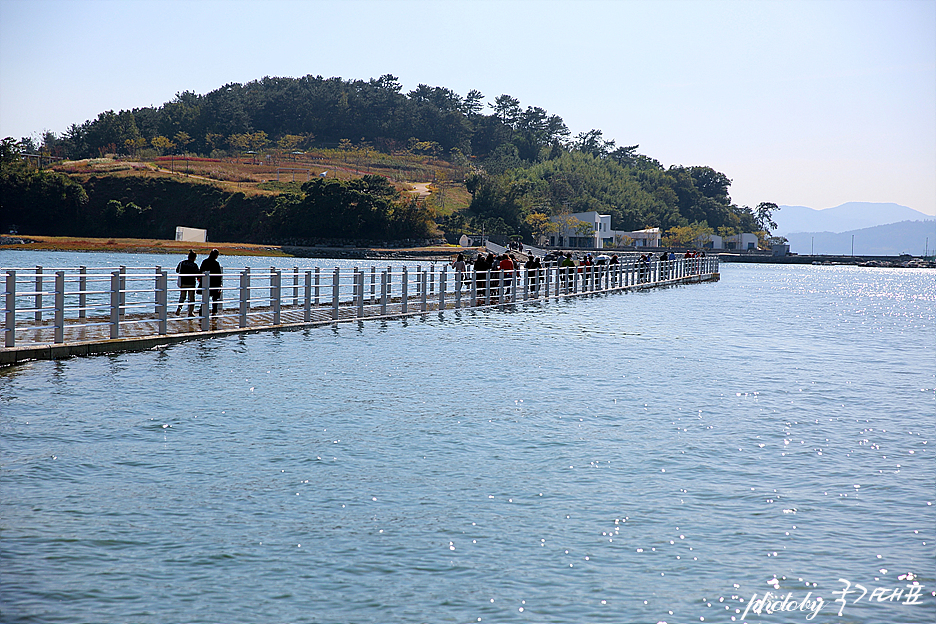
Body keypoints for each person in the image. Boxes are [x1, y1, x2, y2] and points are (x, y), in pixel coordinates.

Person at [175, 250, 200, 316]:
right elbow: (198, 273)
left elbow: (177, 270)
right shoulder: (194, 265)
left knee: (182, 297)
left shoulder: (182, 263)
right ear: (194, 257)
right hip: (191, 283)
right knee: (191, 298)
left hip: (183, 283)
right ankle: (190, 312)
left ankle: (179, 308)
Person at [199, 248, 223, 315]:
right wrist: (220, 284)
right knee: (215, 299)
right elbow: (219, 275)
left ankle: (202, 311)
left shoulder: (205, 262)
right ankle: (214, 312)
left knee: (205, 298)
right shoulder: (216, 263)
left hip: (205, 283)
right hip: (214, 283)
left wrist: (200, 280)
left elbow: (201, 272)